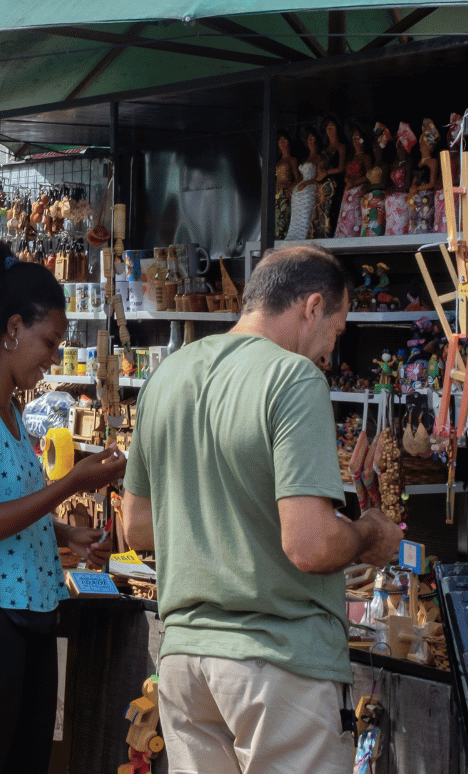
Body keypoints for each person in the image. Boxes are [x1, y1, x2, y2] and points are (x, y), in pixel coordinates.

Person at [122, 245, 403, 774]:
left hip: (184, 660)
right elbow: (311, 545)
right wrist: (369, 533)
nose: (328, 353)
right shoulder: (293, 379)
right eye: (335, 332)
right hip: (276, 663)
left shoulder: (167, 377)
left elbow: (136, 527)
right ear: (313, 306)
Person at [0, 237, 126, 774]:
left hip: (29, 618)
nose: (53, 359)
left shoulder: (10, 415)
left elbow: (11, 504)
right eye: (50, 342)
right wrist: (73, 482)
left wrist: (65, 534)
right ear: (13, 329)